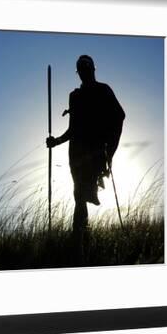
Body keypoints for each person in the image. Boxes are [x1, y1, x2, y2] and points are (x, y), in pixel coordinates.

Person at [46, 55, 125, 264]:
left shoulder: (103, 90)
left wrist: (110, 150)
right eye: (81, 68)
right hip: (76, 155)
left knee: (80, 196)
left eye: (87, 68)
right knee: (79, 196)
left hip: (95, 153)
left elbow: (119, 116)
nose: (84, 71)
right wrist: (56, 142)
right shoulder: (75, 96)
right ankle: (82, 243)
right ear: (79, 72)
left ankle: (78, 244)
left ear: (93, 69)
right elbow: (73, 130)